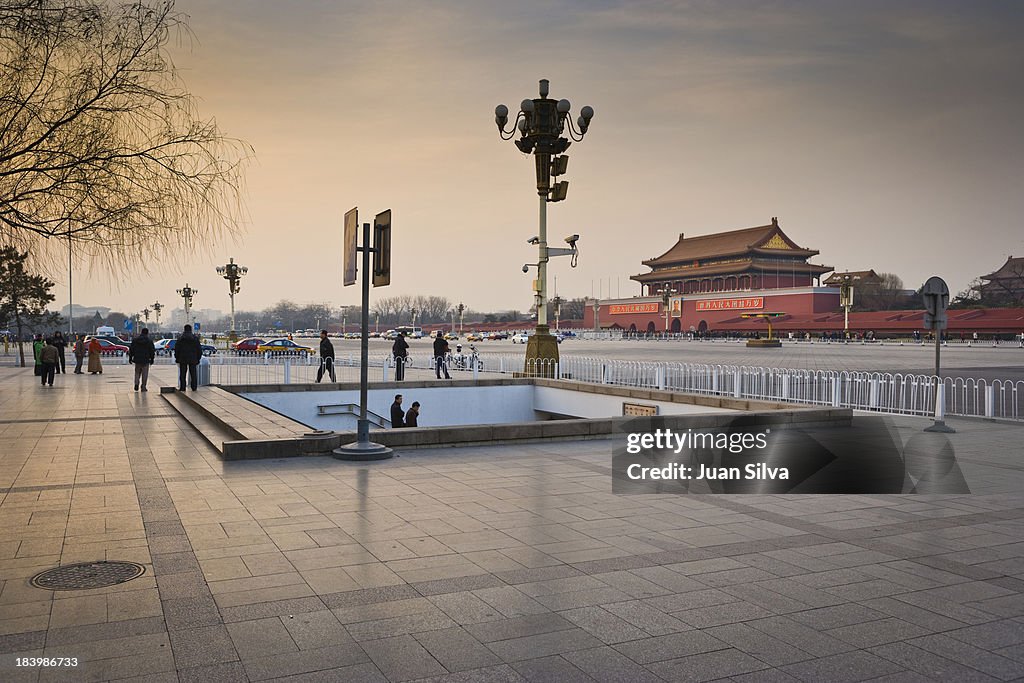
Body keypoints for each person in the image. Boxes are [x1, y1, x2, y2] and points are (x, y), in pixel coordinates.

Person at [174, 324, 202, 391]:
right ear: (191, 329)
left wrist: (177, 358)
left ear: (184, 329)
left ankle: (182, 387)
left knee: (182, 374)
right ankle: (194, 387)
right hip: (193, 358)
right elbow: (199, 349)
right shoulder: (195, 338)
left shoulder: (180, 338)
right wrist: (198, 358)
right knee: (193, 374)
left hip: (182, 358)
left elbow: (177, 349)